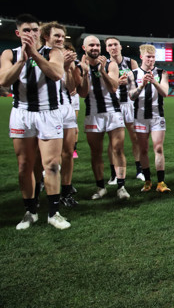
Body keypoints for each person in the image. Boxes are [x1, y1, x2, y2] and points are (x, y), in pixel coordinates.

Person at [0, 13, 70, 229]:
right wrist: (23, 59)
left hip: (49, 113)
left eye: (34, 29)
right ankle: (30, 211)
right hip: (22, 113)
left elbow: (57, 73)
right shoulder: (9, 54)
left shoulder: (54, 52)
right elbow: (3, 80)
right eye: (26, 30)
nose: (31, 33)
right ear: (18, 33)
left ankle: (53, 212)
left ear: (40, 31)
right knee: (24, 165)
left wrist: (34, 55)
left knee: (51, 164)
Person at [77, 35, 130, 200]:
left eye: (97, 45)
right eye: (91, 45)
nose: (95, 48)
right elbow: (83, 93)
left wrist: (102, 71)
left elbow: (114, 87)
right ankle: (100, 187)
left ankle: (121, 186)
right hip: (93, 114)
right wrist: (86, 73)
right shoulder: (79, 67)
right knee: (96, 153)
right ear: (84, 48)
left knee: (118, 149)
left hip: (113, 112)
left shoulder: (111, 64)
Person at [39, 22, 81, 208]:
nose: (60, 39)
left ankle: (66, 191)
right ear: (46, 36)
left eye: (62, 37)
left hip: (65, 108)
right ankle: (40, 187)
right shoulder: (39, 55)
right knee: (44, 156)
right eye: (56, 36)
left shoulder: (67, 58)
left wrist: (68, 68)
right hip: (44, 109)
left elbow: (72, 89)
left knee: (68, 153)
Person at [127, 44, 170, 193]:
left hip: (157, 115)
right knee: (143, 150)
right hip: (140, 117)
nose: (151, 60)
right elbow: (131, 96)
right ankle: (147, 181)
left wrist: (154, 82)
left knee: (158, 147)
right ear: (141, 57)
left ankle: (161, 182)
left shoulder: (162, 72)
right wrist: (142, 85)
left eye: (153, 57)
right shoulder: (132, 74)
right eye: (148, 57)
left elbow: (165, 93)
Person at [105, 36, 144, 183]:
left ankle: (139, 170)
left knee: (135, 138)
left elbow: (138, 82)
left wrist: (127, 82)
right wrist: (115, 83)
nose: (113, 47)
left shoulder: (131, 62)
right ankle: (114, 174)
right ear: (107, 48)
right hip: (112, 105)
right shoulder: (105, 64)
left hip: (129, 104)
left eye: (115, 44)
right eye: (110, 45)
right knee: (113, 142)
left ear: (120, 47)